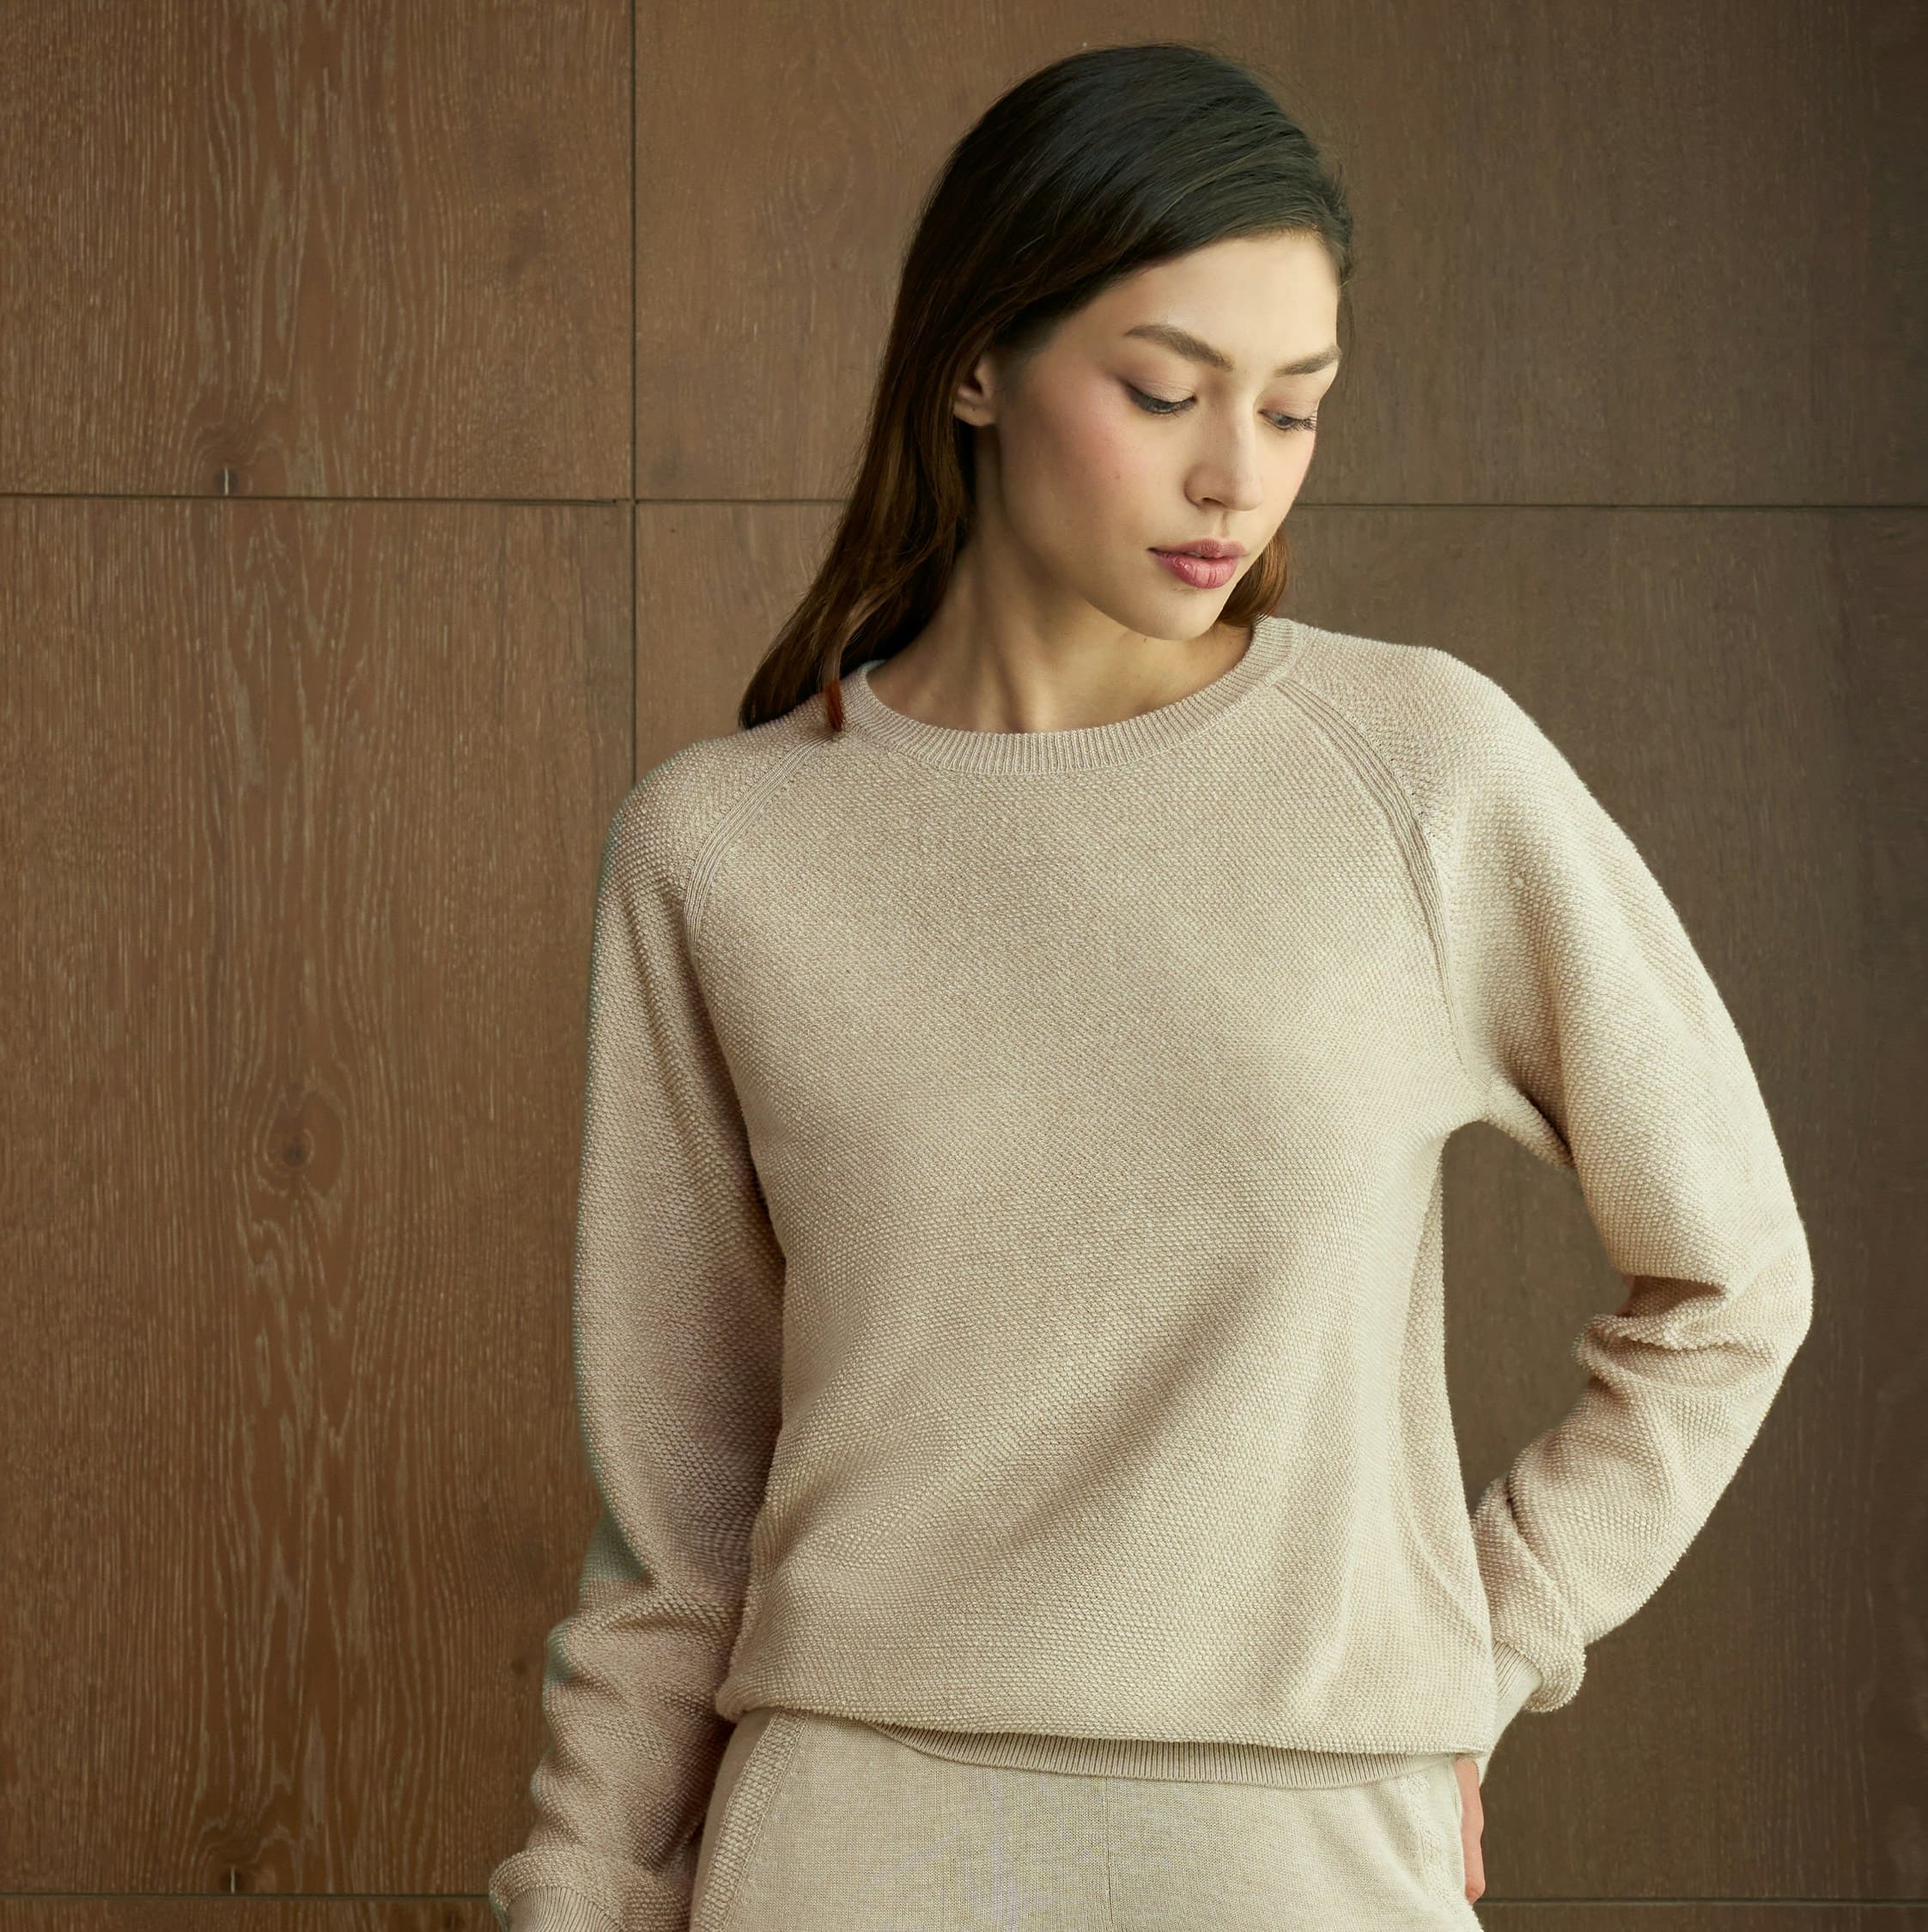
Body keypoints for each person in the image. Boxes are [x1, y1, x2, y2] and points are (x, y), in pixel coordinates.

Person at [488, 39, 1811, 1932]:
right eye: (1166, 390)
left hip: (1305, 1855)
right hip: (848, 1847)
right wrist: (585, 1890)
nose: (1234, 477)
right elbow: (677, 1517)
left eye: (1296, 410)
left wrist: (1476, 1647)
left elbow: (1732, 1280)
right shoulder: (723, 853)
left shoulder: (1422, 770)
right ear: (974, 364)